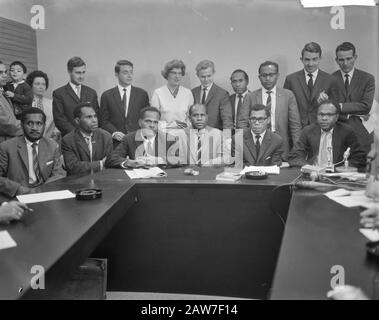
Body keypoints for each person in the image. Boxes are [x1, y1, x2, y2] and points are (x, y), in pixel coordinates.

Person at [240, 61, 301, 160]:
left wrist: (297, 151)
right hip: (256, 147)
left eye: (271, 75)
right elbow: (242, 123)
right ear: (259, 77)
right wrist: (245, 148)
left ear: (277, 75)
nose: (267, 78)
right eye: (264, 75)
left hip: (281, 147)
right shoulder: (250, 97)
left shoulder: (288, 95)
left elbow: (295, 125)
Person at [0, 108, 65, 198]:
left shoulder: (52, 146)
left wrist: (43, 190)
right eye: (30, 123)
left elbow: (59, 173)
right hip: (18, 195)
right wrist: (19, 189)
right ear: (22, 125)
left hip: (46, 192)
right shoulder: (6, 147)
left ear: (44, 125)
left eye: (39, 124)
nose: (34, 128)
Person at [288, 100, 366, 170]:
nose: (324, 118)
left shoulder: (347, 131)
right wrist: (309, 168)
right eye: (321, 114)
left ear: (336, 117)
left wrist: (341, 168)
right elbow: (295, 156)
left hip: (338, 175)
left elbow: (359, 157)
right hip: (314, 174)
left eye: (329, 115)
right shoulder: (308, 131)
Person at [332, 42, 375, 155]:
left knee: (362, 170)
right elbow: (330, 108)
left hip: (362, 136)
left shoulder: (368, 78)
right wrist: (354, 110)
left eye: (349, 58)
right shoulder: (329, 79)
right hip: (337, 135)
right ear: (336, 60)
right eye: (341, 60)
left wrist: (340, 106)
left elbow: (366, 106)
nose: (345, 63)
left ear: (355, 57)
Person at [283, 42, 338, 127]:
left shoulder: (331, 80)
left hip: (321, 128)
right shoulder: (291, 79)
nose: (310, 64)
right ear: (301, 59)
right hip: (297, 129)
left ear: (320, 59)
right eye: (307, 59)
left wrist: (326, 103)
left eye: (314, 59)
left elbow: (336, 108)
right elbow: (285, 108)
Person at [106, 107, 180, 168]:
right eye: (148, 121)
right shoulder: (129, 138)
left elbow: (180, 159)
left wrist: (159, 160)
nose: (152, 125)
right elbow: (111, 159)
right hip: (137, 180)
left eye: (155, 122)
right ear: (140, 122)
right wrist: (130, 162)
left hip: (161, 180)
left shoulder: (169, 139)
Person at [100, 60, 149, 145]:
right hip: (115, 142)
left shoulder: (142, 94)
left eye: (131, 72)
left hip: (137, 141)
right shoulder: (107, 95)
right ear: (116, 74)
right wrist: (114, 133)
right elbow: (103, 120)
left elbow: (146, 118)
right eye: (125, 72)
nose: (129, 76)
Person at [61, 102, 113, 176]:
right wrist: (100, 163)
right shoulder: (68, 140)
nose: (94, 120)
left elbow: (109, 163)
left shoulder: (106, 136)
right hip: (78, 182)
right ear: (77, 121)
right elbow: (73, 167)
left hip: (102, 180)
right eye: (89, 117)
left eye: (95, 116)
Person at [53, 56, 99, 137]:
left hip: (91, 138)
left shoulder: (92, 93)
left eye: (83, 72)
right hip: (70, 139)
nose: (81, 76)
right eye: (78, 73)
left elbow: (97, 116)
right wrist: (78, 134)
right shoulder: (59, 93)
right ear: (69, 72)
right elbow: (59, 120)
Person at [150, 59, 194, 129]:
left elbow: (190, 119)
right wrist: (173, 125)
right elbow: (154, 119)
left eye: (179, 73)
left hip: (183, 134)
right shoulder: (158, 93)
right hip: (163, 133)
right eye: (174, 73)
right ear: (167, 74)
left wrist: (180, 126)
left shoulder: (188, 93)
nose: (177, 76)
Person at [192, 60, 233, 130]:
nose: (206, 79)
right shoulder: (193, 92)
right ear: (197, 75)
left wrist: (227, 139)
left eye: (209, 76)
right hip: (196, 135)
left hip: (214, 136)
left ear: (213, 73)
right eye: (203, 77)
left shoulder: (222, 94)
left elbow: (227, 120)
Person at [26, 70, 60, 140]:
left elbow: (55, 124)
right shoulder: (25, 103)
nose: (41, 87)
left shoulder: (52, 103)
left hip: (48, 140)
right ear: (30, 85)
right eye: (37, 84)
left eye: (43, 84)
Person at [0, 61, 22, 142]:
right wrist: (29, 126)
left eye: (5, 72)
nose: (5, 75)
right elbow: (8, 125)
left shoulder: (4, 93)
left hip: (10, 142)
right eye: (0, 72)